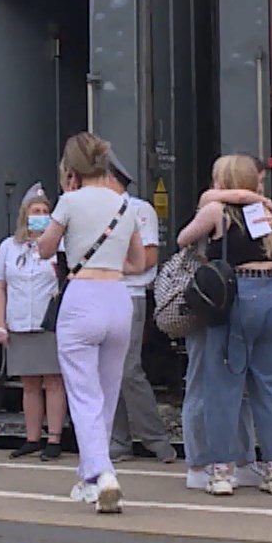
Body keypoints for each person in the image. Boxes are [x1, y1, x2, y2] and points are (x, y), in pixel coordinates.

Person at [37, 132, 147, 514]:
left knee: (83, 396)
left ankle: (104, 473)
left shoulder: (69, 201)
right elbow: (138, 262)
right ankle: (88, 478)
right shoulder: (126, 205)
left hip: (81, 300)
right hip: (118, 300)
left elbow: (45, 248)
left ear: (72, 169)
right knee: (106, 391)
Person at [176, 154, 272, 497]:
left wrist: (218, 203)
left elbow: (184, 238)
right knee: (269, 385)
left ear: (223, 181)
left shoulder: (216, 211)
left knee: (224, 386)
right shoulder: (261, 212)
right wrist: (261, 204)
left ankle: (222, 471)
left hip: (238, 296)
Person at [108, 156, 177, 465]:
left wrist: (106, 266)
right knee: (107, 372)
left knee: (127, 370)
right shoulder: (94, 211)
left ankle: (157, 441)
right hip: (104, 293)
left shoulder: (138, 209)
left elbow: (149, 258)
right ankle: (118, 442)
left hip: (130, 294)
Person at [0, 185, 66, 462]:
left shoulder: (59, 246)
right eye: (36, 211)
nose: (41, 215)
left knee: (54, 381)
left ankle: (55, 439)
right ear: (25, 215)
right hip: (20, 322)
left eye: (46, 211)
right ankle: (32, 438)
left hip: (49, 323)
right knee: (30, 384)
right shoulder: (8, 247)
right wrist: (0, 324)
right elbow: (0, 287)